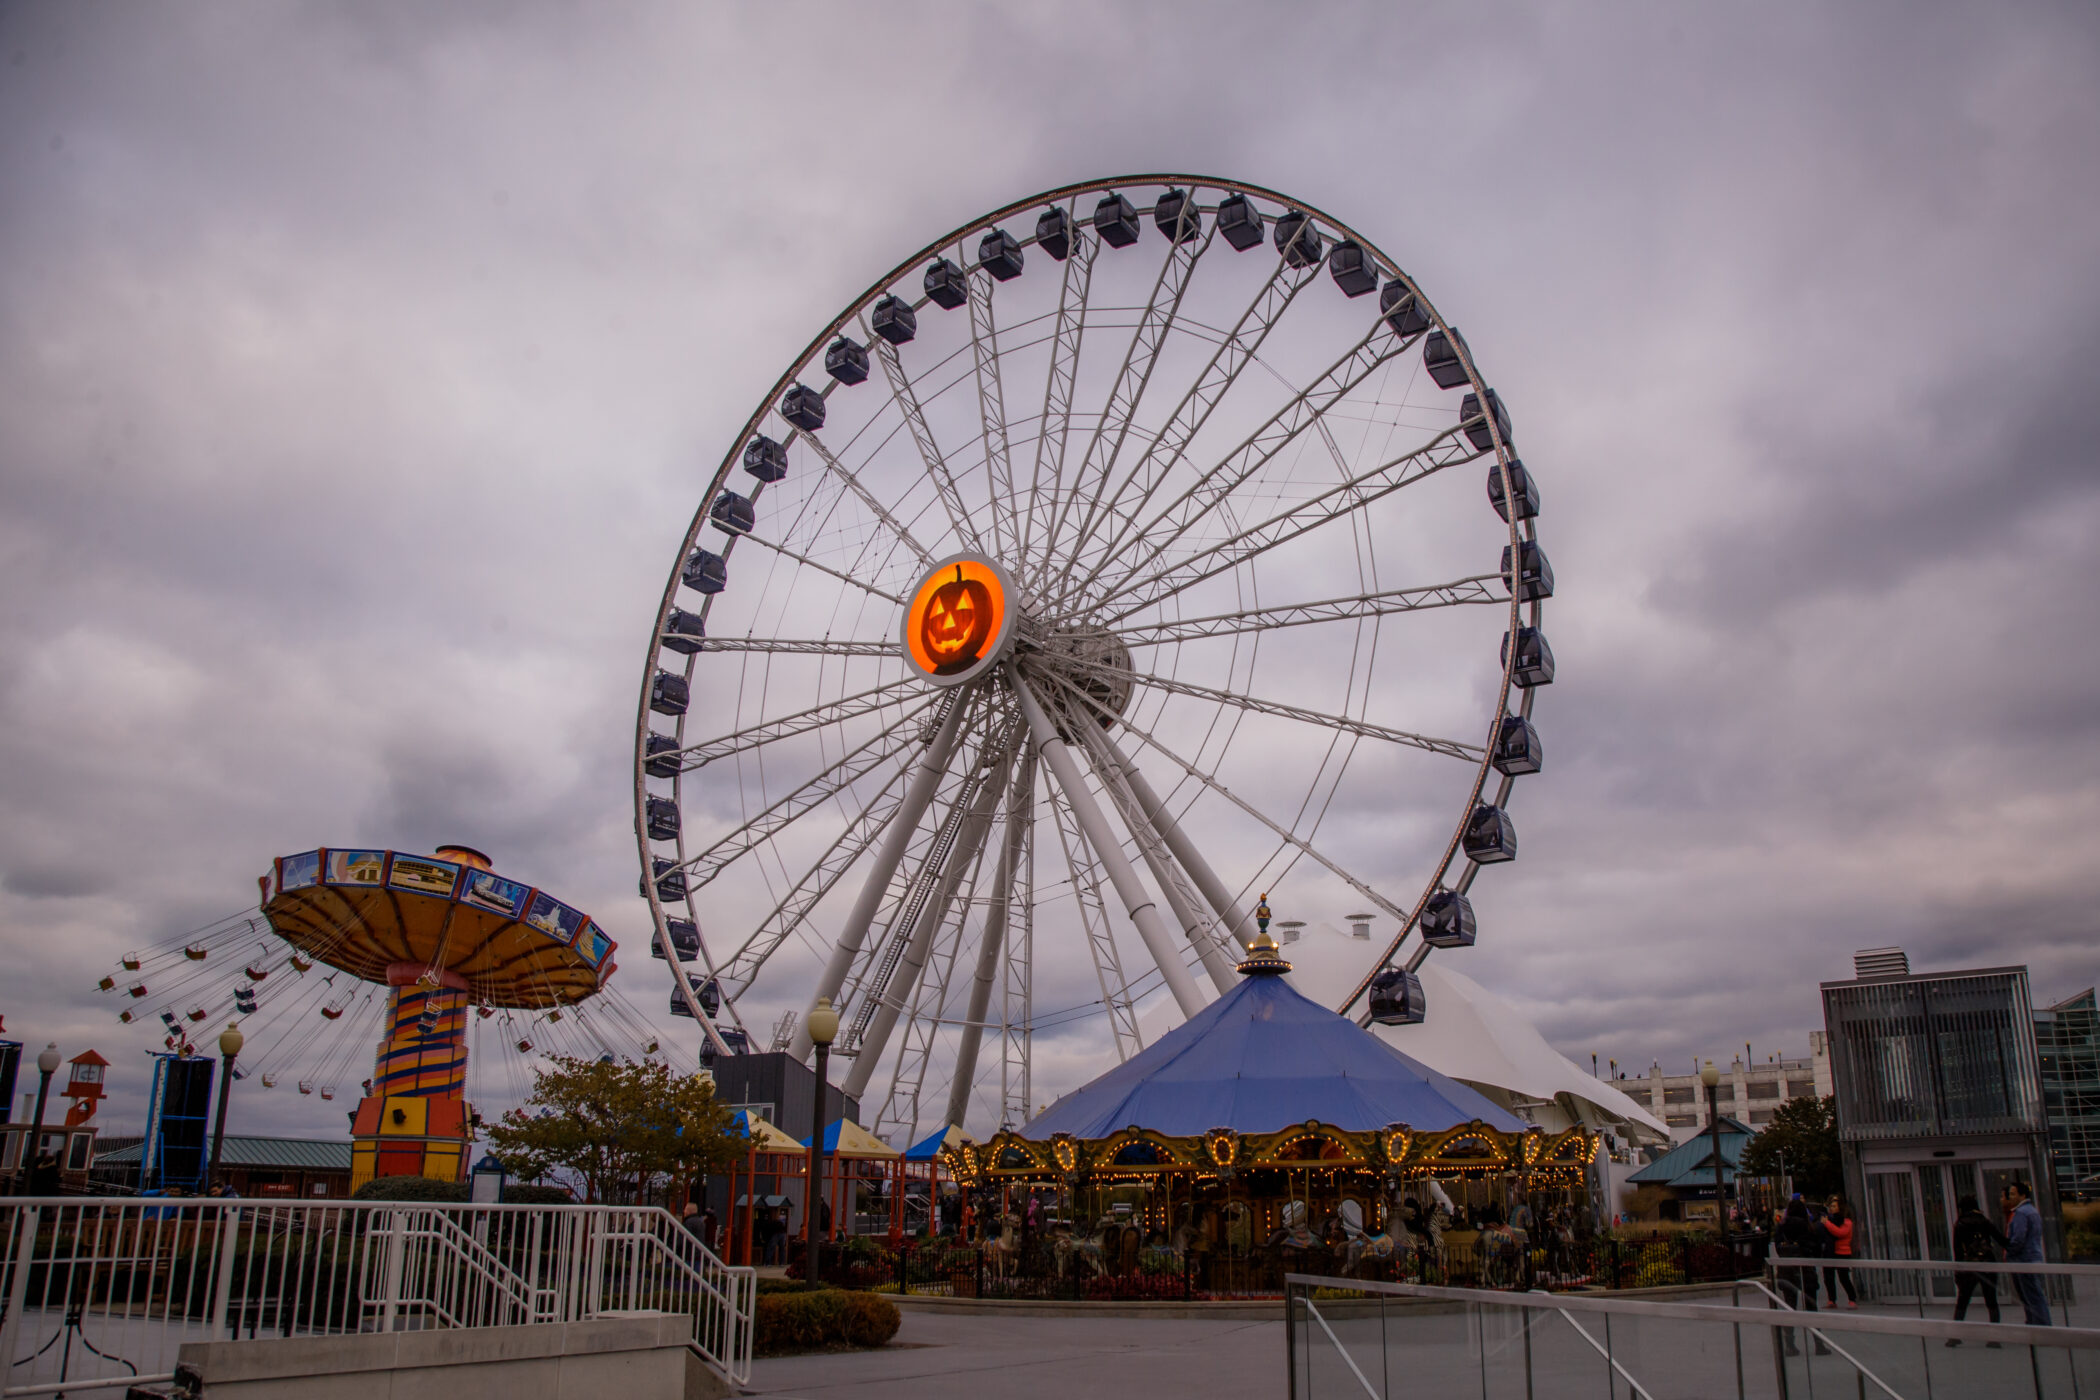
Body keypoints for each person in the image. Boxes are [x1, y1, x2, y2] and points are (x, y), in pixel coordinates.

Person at [1948, 1193, 2007, 1345]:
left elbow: (1958, 1250)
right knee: (1991, 1300)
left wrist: (1958, 1269)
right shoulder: (1984, 1222)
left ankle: (1955, 1336)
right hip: (1987, 1264)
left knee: (1962, 1300)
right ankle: (1995, 1337)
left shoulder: (1960, 1224)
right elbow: (2001, 1240)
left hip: (1969, 1267)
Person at [1774, 1198, 1829, 1356]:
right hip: (1805, 1270)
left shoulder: (1782, 1226)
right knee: (1811, 1307)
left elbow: (1778, 1248)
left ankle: (1790, 1344)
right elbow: (1816, 1249)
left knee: (1790, 1307)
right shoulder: (1808, 1227)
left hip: (1787, 1270)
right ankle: (1818, 1344)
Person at [2002, 1181, 2050, 1326]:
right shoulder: (2032, 1211)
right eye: (2009, 1194)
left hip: (2023, 1259)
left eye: (2013, 1194)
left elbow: (2018, 1238)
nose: (2010, 1197)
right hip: (2033, 1256)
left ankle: (2040, 1325)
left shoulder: (2021, 1213)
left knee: (2031, 1295)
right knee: (2033, 1294)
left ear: (2023, 1195)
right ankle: (2035, 1323)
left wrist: (2009, 1251)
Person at [1820, 1196, 1859, 1308]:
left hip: (1843, 1252)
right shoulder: (1832, 1220)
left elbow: (1840, 1233)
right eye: (1830, 1206)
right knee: (1828, 1277)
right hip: (1831, 1251)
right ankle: (1831, 1299)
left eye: (1834, 1206)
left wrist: (1827, 1223)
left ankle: (1852, 1298)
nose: (1831, 1208)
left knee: (1844, 1277)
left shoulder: (1846, 1222)